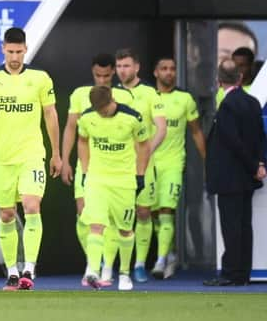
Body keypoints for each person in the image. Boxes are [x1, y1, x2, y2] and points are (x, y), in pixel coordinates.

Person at [0, 27, 62, 291]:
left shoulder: (40, 78)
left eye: (19, 52)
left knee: (32, 206)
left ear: (26, 49)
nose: (14, 56)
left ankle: (29, 270)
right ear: (3, 49)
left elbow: (51, 115)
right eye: (10, 51)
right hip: (3, 158)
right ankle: (11, 272)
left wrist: (55, 153)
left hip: (32, 155)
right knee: (7, 214)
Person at [60, 53, 134, 286]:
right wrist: (65, 160)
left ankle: (107, 267)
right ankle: (93, 264)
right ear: (92, 72)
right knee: (85, 216)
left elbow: (134, 131)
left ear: (113, 72)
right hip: (88, 167)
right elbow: (72, 128)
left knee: (113, 221)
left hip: (118, 170)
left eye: (106, 75)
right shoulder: (81, 95)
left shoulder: (124, 96)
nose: (102, 79)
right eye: (97, 75)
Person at [78, 86, 151, 291]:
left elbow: (144, 145)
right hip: (97, 179)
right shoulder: (87, 118)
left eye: (105, 108)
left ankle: (124, 273)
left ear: (112, 100)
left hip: (124, 181)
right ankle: (93, 270)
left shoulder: (132, 117)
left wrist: (140, 174)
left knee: (125, 229)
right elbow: (82, 141)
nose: (102, 112)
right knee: (96, 225)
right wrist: (85, 171)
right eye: (98, 109)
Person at [204, 60, 266, 287]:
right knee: (243, 226)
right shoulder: (251, 102)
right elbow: (260, 137)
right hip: (246, 177)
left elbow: (233, 142)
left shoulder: (228, 105)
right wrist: (259, 164)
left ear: (219, 81)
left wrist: (253, 165)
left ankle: (232, 274)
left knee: (231, 227)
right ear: (240, 78)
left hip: (230, 177)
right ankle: (243, 273)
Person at [151, 58, 206, 279]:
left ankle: (160, 260)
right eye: (164, 68)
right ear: (155, 72)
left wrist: (206, 161)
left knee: (167, 210)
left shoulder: (184, 99)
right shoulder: (147, 96)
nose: (169, 73)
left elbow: (195, 131)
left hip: (174, 163)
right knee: (153, 214)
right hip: (149, 164)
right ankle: (169, 253)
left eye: (173, 69)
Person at [115, 48, 166, 283]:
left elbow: (161, 128)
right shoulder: (111, 94)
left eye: (126, 65)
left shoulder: (150, 94)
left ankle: (139, 264)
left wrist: (144, 155)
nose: (122, 70)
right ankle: (111, 265)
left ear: (136, 67)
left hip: (145, 166)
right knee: (117, 215)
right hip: (119, 167)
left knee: (144, 212)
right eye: (119, 66)